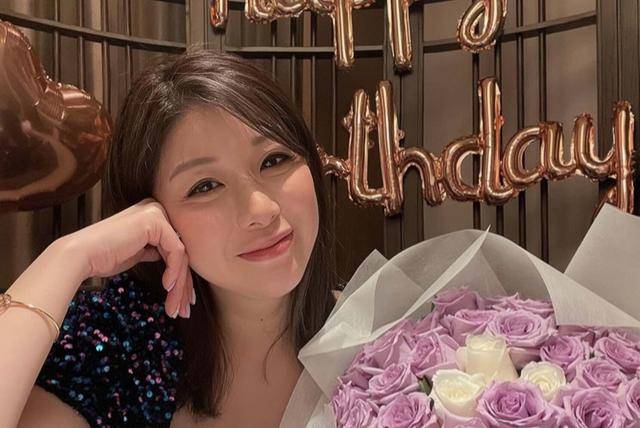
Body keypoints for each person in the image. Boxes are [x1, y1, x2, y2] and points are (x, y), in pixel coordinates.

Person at [1, 49, 342, 427]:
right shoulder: (121, 353)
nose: (261, 210)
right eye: (206, 186)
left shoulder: (383, 341)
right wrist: (69, 255)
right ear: (153, 214)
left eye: (273, 160)